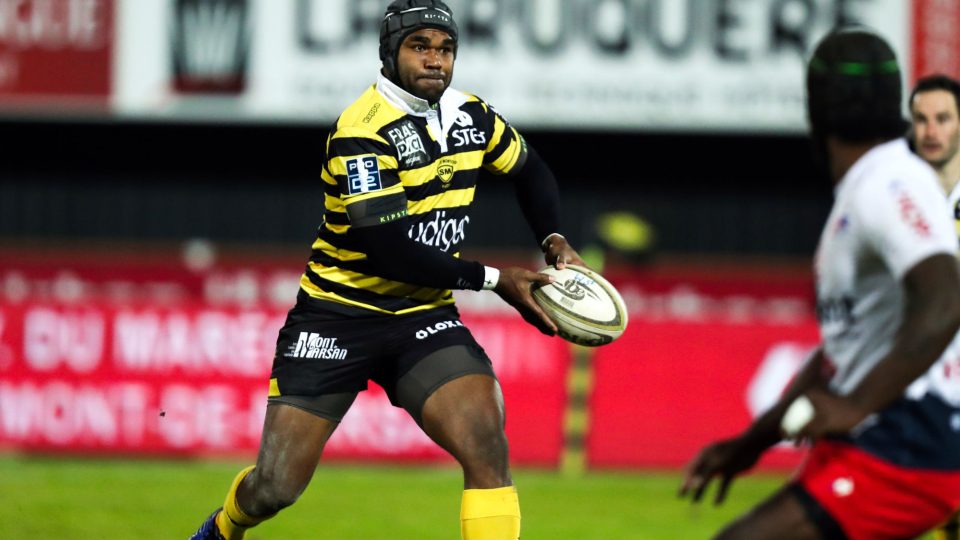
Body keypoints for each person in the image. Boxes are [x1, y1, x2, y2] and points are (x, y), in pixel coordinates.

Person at [189, 1, 583, 539]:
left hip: (421, 316)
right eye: (420, 47)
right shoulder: (362, 130)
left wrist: (554, 239)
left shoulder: (474, 116)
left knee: (486, 443)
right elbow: (387, 251)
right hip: (336, 317)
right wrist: (497, 280)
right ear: (389, 53)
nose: (435, 61)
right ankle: (222, 529)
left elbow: (531, 170)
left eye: (445, 49)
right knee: (275, 487)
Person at [679, 28, 960, 539]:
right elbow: (837, 357)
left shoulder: (888, 183)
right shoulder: (869, 188)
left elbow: (945, 298)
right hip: (882, 438)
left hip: (907, 442)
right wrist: (750, 444)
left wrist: (855, 405)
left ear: (815, 108)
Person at [910, 73, 960, 540]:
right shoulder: (902, 200)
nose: (931, 130)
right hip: (928, 391)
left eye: (943, 119)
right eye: (921, 119)